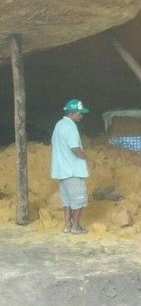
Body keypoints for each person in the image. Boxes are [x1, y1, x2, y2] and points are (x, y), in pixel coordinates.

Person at [50, 99, 90, 235]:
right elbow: (75, 148)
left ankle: (67, 225)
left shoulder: (58, 125)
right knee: (78, 200)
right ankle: (76, 227)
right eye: (80, 113)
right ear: (73, 113)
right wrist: (87, 159)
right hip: (72, 171)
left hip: (62, 171)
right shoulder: (70, 127)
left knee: (67, 200)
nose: (81, 116)